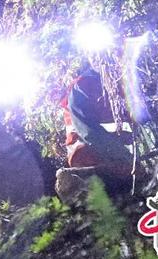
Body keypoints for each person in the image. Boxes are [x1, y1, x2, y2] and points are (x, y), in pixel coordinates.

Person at [56, 63, 134, 201]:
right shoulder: (83, 87)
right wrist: (124, 155)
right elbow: (89, 132)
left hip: (99, 151)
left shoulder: (115, 82)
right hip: (87, 154)